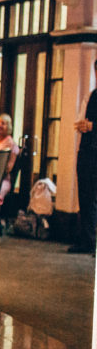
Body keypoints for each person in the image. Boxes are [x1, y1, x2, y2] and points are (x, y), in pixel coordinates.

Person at [71, 66, 97, 254]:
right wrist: (82, 125)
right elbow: (81, 120)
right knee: (86, 198)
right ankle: (87, 241)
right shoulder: (91, 95)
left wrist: (93, 126)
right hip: (87, 152)